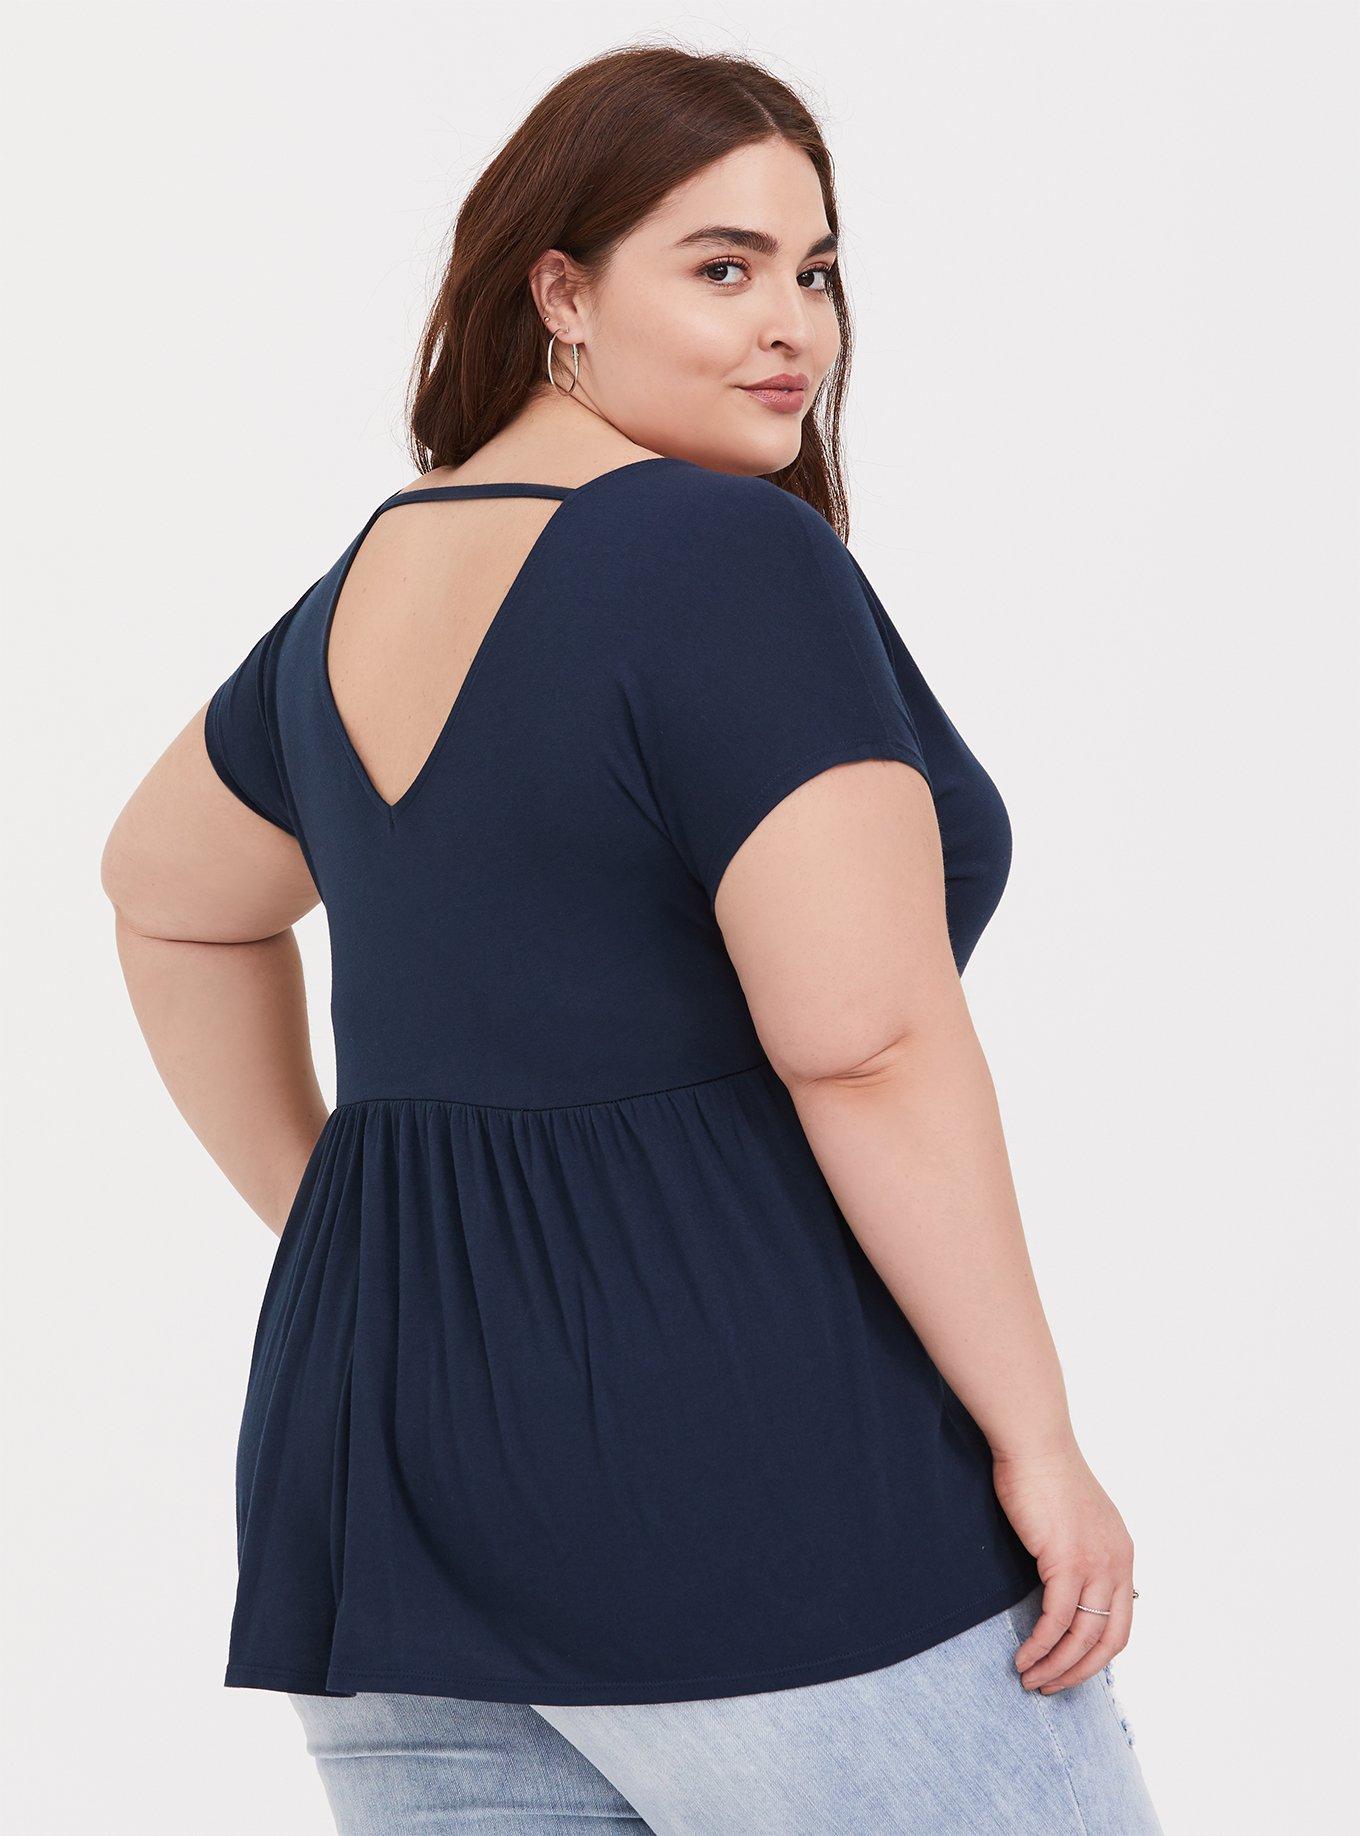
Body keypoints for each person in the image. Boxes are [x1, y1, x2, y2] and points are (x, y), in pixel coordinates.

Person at [101, 43, 1162, 1836]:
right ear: (562, 293)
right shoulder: (717, 556)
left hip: (383, 1487)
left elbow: (166, 896)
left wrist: (355, 1229)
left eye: (815, 271)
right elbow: (867, 1043)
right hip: (743, 1473)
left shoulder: (369, 581)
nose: (793, 329)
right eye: (722, 266)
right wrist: (1040, 1446)